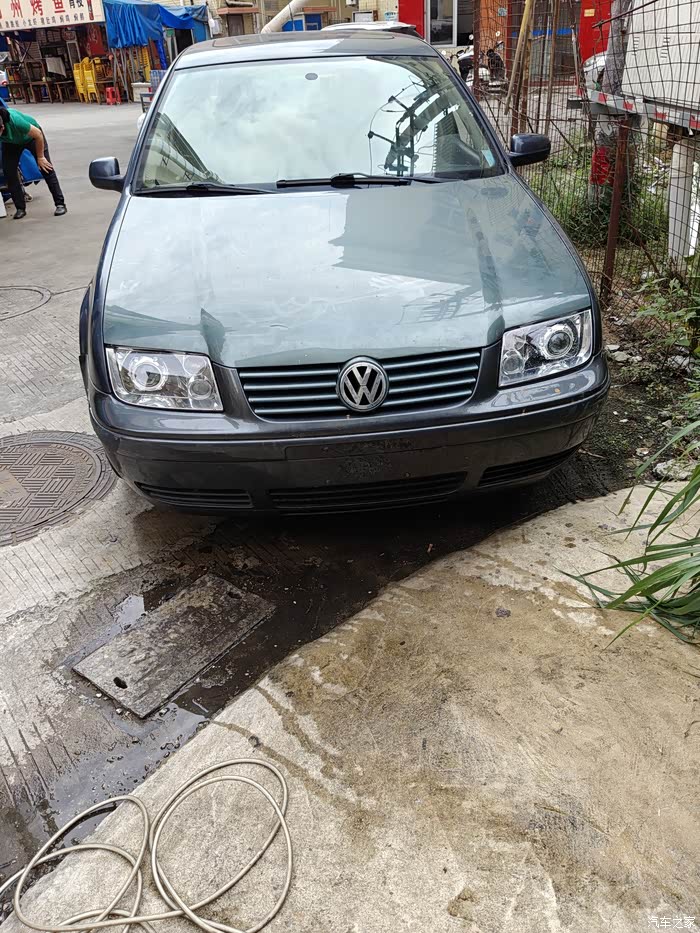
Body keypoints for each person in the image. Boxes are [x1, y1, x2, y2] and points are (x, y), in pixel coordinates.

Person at [0, 105, 66, 219]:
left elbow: (38, 135)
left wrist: (40, 157)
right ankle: (20, 208)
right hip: (11, 143)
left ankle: (60, 204)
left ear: (1, 127)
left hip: (32, 138)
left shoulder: (16, 121)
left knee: (46, 168)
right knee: (9, 172)